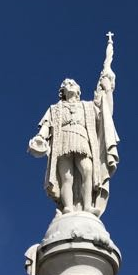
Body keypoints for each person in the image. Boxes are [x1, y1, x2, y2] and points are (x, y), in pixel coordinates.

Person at [28, 33, 119, 216]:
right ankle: (68, 207)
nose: (69, 83)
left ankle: (87, 206)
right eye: (66, 83)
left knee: (87, 170)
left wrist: (107, 88)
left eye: (72, 83)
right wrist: (40, 138)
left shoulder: (87, 106)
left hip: (83, 138)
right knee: (67, 176)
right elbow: (47, 125)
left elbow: (105, 113)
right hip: (64, 140)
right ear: (63, 92)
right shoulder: (55, 108)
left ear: (78, 90)